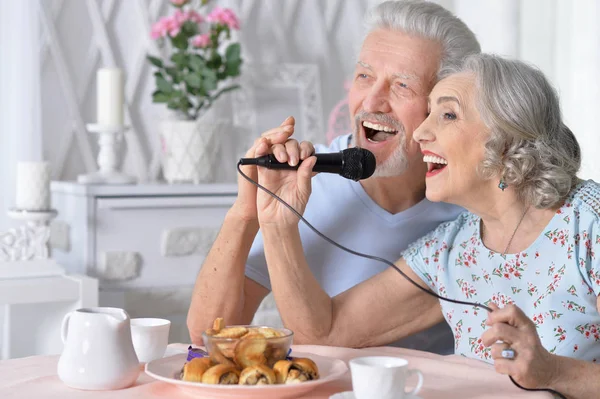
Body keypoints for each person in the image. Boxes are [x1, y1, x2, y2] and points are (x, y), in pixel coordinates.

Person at [254, 52, 600, 397]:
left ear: (508, 139)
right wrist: (277, 221)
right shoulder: (449, 249)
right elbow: (322, 333)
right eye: (429, 113)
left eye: (448, 114)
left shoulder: (589, 221)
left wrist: (553, 371)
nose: (419, 132)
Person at [187, 0, 480, 354]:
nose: (372, 101)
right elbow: (207, 336)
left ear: (446, 109)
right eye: (364, 76)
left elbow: (327, 334)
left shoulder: (471, 210)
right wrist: (246, 212)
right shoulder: (307, 182)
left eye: (402, 85)